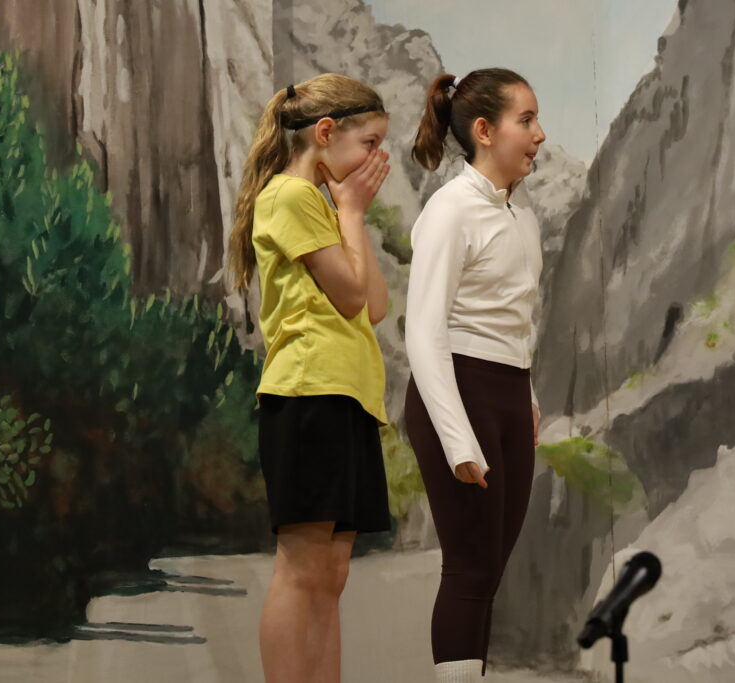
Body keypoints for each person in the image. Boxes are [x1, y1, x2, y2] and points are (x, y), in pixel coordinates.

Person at [229, 72, 392, 683]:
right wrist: (350, 210)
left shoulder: (323, 204)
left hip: (346, 395)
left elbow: (375, 306)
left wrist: (351, 215)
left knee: (332, 572)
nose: (374, 160)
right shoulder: (290, 196)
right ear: (325, 133)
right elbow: (350, 297)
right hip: (308, 392)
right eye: (369, 144)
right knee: (301, 568)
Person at [404, 68, 546, 682]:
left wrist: (527, 397)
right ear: (484, 131)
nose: (540, 134)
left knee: (488, 572)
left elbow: (513, 319)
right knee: (469, 569)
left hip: (507, 395)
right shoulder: (450, 210)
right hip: (460, 395)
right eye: (526, 120)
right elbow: (424, 331)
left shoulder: (522, 215)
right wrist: (457, 438)